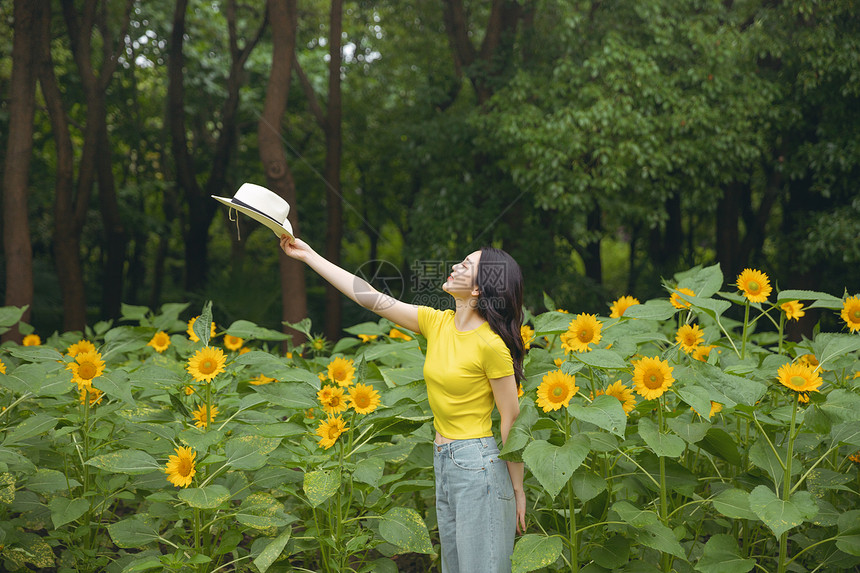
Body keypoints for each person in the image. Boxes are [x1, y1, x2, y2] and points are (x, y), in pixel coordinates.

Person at [280, 234, 526, 572]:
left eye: (466, 265)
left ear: (478, 290)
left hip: (477, 467)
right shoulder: (438, 324)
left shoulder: (491, 346)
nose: (455, 266)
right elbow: (371, 298)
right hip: (445, 462)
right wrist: (310, 256)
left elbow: (510, 422)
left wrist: (517, 489)